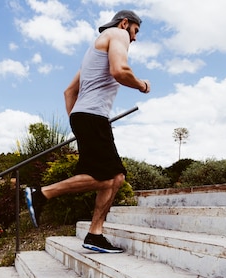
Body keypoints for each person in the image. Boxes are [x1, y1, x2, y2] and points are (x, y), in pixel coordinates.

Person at [24, 10, 150, 253]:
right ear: (125, 23)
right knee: (109, 176)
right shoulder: (117, 34)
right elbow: (120, 71)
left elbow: (69, 92)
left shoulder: (92, 55)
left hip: (87, 118)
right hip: (92, 117)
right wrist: (143, 85)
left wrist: (77, 122)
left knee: (115, 178)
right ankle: (40, 194)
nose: (134, 38)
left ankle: (95, 234)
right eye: (135, 31)